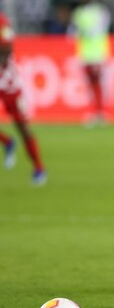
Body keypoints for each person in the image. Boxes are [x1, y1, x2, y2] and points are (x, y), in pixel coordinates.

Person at [0, 13, 47, 185]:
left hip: (8, 84)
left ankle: (39, 168)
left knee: (22, 127)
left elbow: (7, 49)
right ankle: (7, 141)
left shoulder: (2, 22)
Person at [70, 0, 111, 124]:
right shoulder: (101, 11)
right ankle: (97, 112)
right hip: (93, 54)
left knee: (95, 85)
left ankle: (99, 112)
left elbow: (72, 32)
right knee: (94, 85)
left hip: (92, 54)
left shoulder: (80, 14)